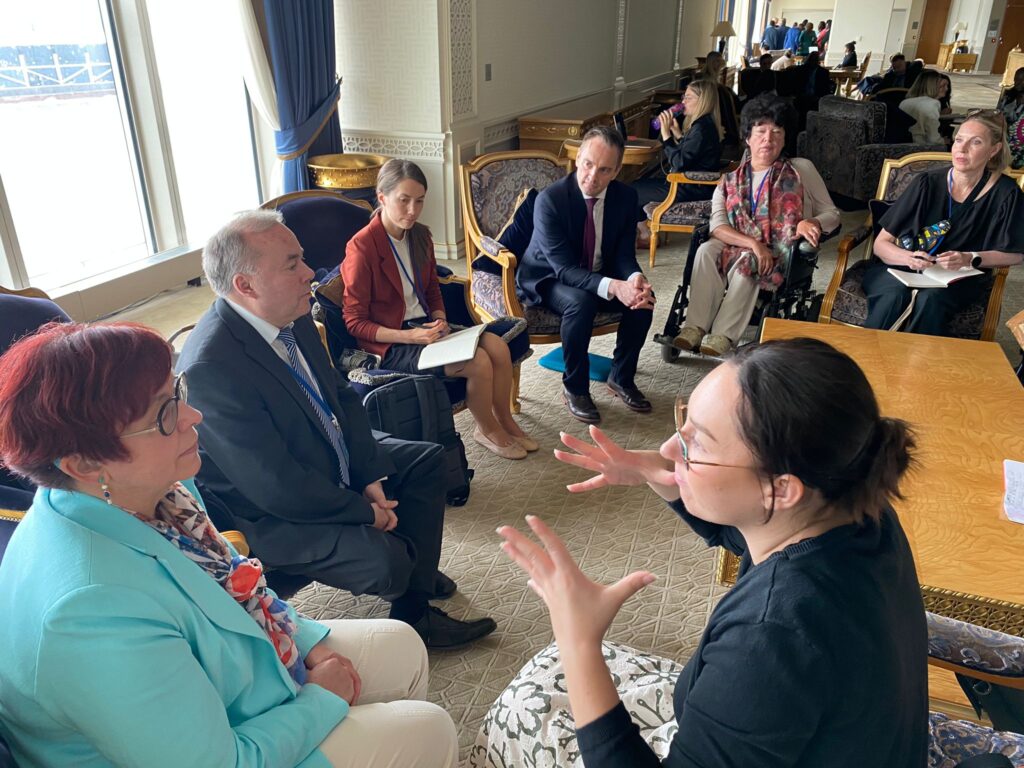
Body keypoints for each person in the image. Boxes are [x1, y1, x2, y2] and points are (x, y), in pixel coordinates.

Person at [0, 322, 459, 768]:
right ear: (83, 462)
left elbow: (239, 582)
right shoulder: (88, 609)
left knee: (403, 646)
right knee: (427, 730)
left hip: (226, 680)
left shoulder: (153, 488)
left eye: (176, 390)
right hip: (216, 744)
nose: (192, 414)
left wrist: (307, 642)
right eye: (163, 414)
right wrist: (322, 699)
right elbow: (217, 761)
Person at [478, 337, 928, 767]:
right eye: (683, 425)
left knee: (521, 710)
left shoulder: (770, 636)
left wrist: (578, 639)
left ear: (782, 488)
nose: (668, 449)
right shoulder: (853, 502)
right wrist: (660, 473)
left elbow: (774, 641)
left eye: (696, 445)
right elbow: (747, 537)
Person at [177, 210, 497, 648]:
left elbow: (341, 396)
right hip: (269, 513)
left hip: (320, 453)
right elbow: (275, 487)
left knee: (425, 460)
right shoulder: (210, 368)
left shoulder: (290, 311)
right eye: (292, 264)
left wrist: (367, 474)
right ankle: (410, 575)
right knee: (389, 562)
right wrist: (365, 511)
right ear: (245, 286)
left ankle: (413, 606)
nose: (311, 273)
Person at [341, 159, 534, 460]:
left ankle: (505, 421)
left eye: (419, 201)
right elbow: (354, 322)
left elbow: (432, 289)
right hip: (392, 343)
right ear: (382, 197)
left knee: (496, 345)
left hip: (426, 328)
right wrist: (411, 337)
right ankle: (485, 429)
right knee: (479, 361)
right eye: (403, 201)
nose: (412, 211)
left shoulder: (420, 236)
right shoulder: (362, 247)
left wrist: (441, 320)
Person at [672, 95, 840, 357]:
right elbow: (717, 226)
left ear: (785, 139)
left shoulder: (800, 170)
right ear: (747, 138)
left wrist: (813, 220)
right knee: (706, 250)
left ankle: (722, 335)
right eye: (760, 131)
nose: (768, 139)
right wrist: (753, 243)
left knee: (750, 261)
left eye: (776, 132)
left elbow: (832, 213)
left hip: (782, 249)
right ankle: (693, 328)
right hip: (737, 243)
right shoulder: (728, 181)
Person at [516, 125, 655, 425]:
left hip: (597, 271)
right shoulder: (550, 200)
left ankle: (621, 377)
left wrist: (633, 279)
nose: (593, 177)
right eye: (588, 164)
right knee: (581, 302)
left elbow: (622, 255)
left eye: (604, 170)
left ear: (617, 170)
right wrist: (614, 287)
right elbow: (564, 269)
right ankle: (575, 387)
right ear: (578, 158)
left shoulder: (625, 197)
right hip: (548, 278)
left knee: (644, 301)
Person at [862, 111, 1024, 335]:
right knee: (894, 295)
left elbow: (1016, 254)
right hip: (902, 268)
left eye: (975, 142)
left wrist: (970, 257)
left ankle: (917, 366)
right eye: (959, 139)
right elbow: (881, 244)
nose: (962, 148)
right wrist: (908, 258)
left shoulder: (1006, 193)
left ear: (993, 150)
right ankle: (868, 359)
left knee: (931, 300)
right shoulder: (927, 183)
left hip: (960, 277)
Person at [634, 80, 724, 245]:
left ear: (702, 100)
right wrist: (677, 133)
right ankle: (644, 233)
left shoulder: (702, 128)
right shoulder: (704, 124)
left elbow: (679, 163)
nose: (683, 102)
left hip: (690, 188)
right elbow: (692, 155)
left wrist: (665, 135)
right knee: (639, 184)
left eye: (688, 97)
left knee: (632, 190)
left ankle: (645, 235)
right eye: (684, 97)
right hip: (693, 185)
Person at [898, 69, 944, 145]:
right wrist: (943, 141)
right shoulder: (933, 103)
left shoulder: (904, 102)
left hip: (901, 144)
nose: (945, 88)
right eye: (941, 85)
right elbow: (933, 139)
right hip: (920, 147)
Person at [998, 66, 1024, 169]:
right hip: (1003, 134)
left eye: (1022, 80)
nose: (1018, 82)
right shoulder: (1008, 95)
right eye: (1016, 79)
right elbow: (997, 113)